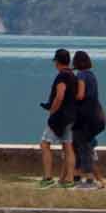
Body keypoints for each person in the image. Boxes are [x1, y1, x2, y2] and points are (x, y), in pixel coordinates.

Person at [37, 48, 77, 187]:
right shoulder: (73, 75)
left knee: (44, 144)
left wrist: (52, 111)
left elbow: (60, 95)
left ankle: (48, 178)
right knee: (68, 146)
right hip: (71, 116)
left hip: (59, 116)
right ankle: (70, 179)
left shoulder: (62, 76)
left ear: (57, 62)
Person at [69, 49, 106, 191]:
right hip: (94, 117)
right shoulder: (92, 76)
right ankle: (78, 179)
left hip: (83, 118)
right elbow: (95, 98)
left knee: (83, 148)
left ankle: (90, 180)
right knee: (80, 147)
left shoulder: (81, 76)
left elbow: (80, 95)